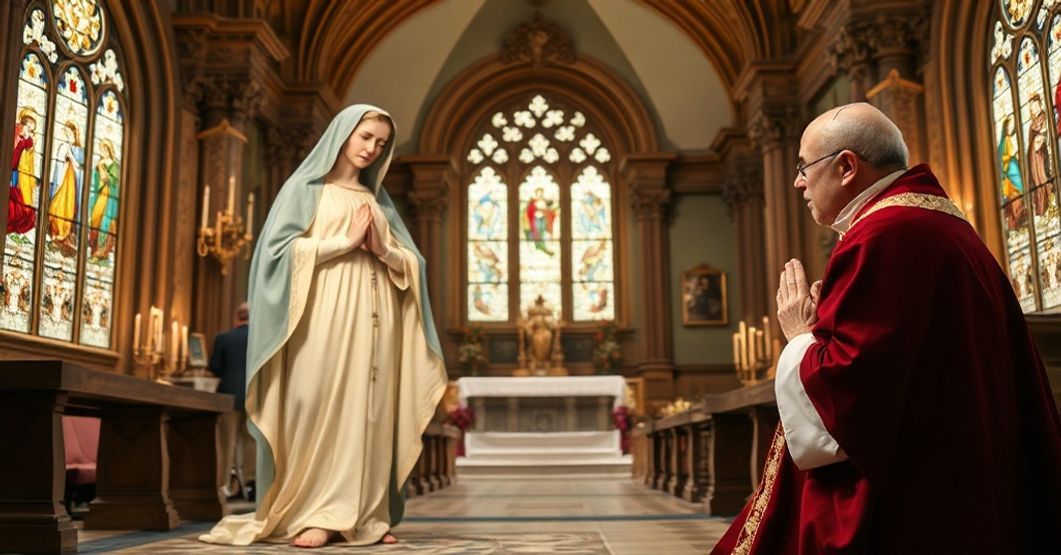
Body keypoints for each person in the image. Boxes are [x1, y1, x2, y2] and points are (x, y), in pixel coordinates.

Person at [711, 103, 1061, 554]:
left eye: (803, 166)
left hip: (917, 499)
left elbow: (851, 390)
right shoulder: (938, 224)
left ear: (845, 166)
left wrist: (799, 334)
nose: (797, 181)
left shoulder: (883, 236)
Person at [198, 105, 447, 548]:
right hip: (321, 320)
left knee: (369, 413)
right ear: (344, 133)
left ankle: (366, 516)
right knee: (319, 406)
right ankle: (317, 511)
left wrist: (384, 251)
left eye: (381, 144)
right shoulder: (306, 190)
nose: (372, 149)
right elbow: (275, 256)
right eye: (366, 136)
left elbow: (413, 263)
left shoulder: (377, 201)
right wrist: (343, 243)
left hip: (377, 327)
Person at [208, 302, 254, 500]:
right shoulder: (259, 338)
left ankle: (223, 486)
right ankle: (251, 485)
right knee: (252, 441)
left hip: (229, 396)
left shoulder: (224, 338)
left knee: (227, 442)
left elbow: (215, 367)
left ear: (237, 317)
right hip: (254, 394)